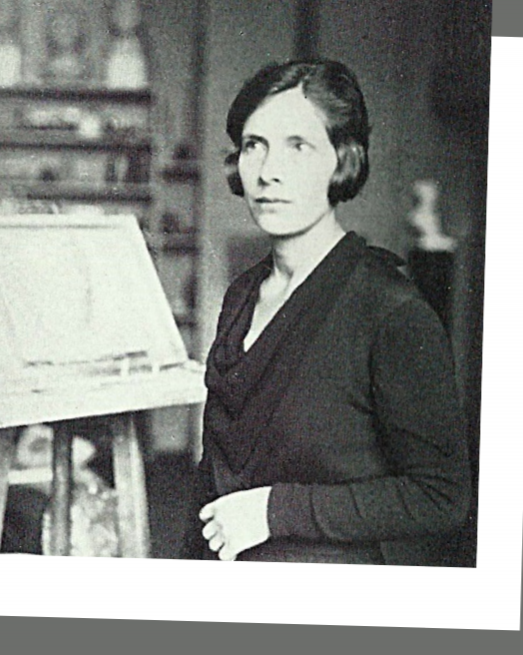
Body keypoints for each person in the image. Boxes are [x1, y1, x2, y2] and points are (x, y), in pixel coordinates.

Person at [192, 59, 472, 566]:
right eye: (255, 145)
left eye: (298, 146)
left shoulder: (390, 309)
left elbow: (441, 496)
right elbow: (214, 474)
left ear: (342, 161)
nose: (269, 171)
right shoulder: (241, 296)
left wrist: (275, 511)